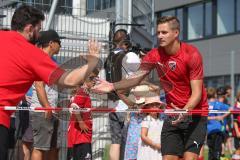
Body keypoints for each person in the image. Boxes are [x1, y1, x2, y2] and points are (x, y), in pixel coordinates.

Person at [92, 16, 208, 160]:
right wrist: (111, 86)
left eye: (164, 32)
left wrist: (184, 111)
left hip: (194, 114)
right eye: (158, 32)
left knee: (189, 158)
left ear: (176, 33)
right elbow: (136, 77)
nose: (159, 36)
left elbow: (197, 93)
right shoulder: (154, 55)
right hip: (172, 114)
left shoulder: (192, 54)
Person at [0, 5, 100, 159]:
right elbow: (70, 80)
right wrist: (92, 61)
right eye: (38, 29)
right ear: (29, 28)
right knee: (39, 148)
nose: (39, 35)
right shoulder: (31, 53)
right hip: (5, 118)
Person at [105, 29, 141, 160]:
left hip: (111, 103)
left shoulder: (109, 57)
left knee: (115, 142)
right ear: (125, 42)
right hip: (126, 103)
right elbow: (140, 74)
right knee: (128, 142)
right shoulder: (130, 56)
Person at [30, 30, 63, 160]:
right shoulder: (41, 59)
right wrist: (47, 106)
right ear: (51, 43)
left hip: (50, 110)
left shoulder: (50, 60)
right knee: (40, 148)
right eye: (59, 42)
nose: (60, 45)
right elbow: (39, 85)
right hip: (42, 110)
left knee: (54, 148)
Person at [68, 68, 99, 160]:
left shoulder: (82, 91)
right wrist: (81, 122)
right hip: (80, 137)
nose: (94, 81)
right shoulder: (83, 91)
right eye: (92, 78)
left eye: (96, 78)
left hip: (78, 137)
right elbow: (74, 106)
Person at [137, 94, 164, 160]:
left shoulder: (161, 121)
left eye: (157, 105)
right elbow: (143, 136)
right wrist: (155, 145)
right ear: (147, 108)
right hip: (147, 149)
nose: (154, 107)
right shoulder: (147, 119)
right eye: (152, 105)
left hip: (157, 150)